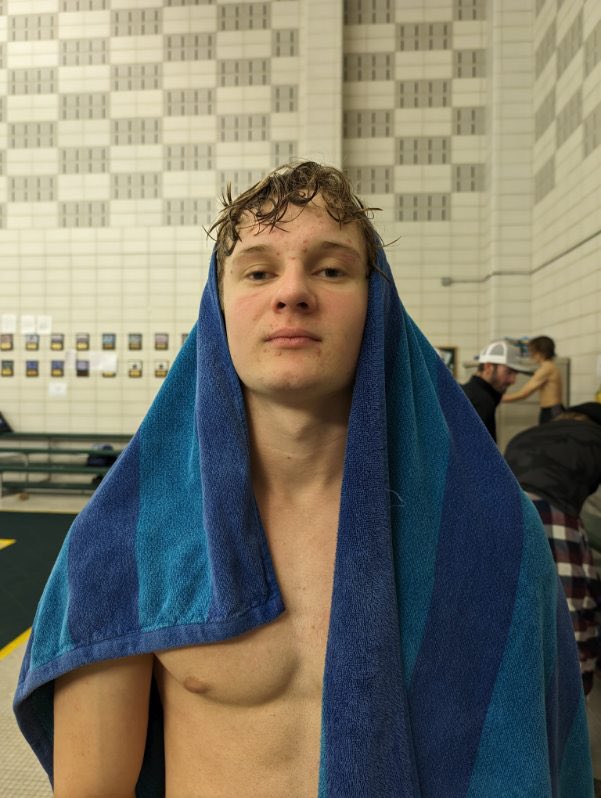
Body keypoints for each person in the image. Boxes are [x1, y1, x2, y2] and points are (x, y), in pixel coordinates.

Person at [14, 163, 592, 797]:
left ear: (377, 306)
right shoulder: (126, 539)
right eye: (259, 271)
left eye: (331, 270)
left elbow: (525, 761)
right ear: (218, 308)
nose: (292, 292)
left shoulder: (488, 531)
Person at [505, 402, 601, 695]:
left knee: (518, 603)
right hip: (554, 515)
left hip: (506, 512)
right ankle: (571, 689)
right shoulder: (594, 438)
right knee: (568, 610)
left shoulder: (527, 435)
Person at [461, 339, 531, 442]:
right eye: (508, 372)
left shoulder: (468, 392)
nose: (513, 381)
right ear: (488, 367)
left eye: (515, 374)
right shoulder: (482, 401)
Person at [502, 335, 564, 423]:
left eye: (533, 351)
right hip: (551, 410)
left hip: (552, 411)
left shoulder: (546, 368)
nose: (531, 355)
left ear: (541, 352)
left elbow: (523, 394)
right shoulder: (549, 367)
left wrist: (498, 398)